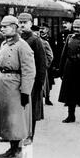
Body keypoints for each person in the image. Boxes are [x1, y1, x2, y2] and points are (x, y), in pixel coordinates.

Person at [0, 15, 35, 158]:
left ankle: (18, 150)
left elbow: (29, 71)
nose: (2, 29)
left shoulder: (22, 45)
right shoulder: (4, 44)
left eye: (5, 26)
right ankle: (11, 148)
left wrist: (25, 91)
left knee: (15, 119)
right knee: (6, 118)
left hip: (15, 87)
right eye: (2, 26)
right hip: (3, 84)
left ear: (14, 27)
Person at [18, 13, 47, 144]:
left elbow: (42, 63)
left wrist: (40, 82)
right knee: (19, 108)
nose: (22, 24)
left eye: (25, 22)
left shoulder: (35, 40)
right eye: (21, 22)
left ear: (31, 23)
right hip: (19, 79)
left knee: (31, 109)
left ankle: (30, 135)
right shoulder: (18, 38)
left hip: (32, 81)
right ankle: (17, 134)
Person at [58, 19, 80, 124]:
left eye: (78, 28)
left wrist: (79, 56)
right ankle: (71, 115)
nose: (75, 30)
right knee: (69, 93)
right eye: (74, 27)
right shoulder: (69, 37)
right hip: (69, 68)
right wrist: (60, 70)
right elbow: (64, 54)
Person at [33, 25, 54, 106]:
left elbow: (50, 55)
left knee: (43, 85)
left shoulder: (44, 42)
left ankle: (45, 99)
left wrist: (45, 65)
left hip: (41, 68)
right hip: (31, 68)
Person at [39, 23, 57, 105]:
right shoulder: (38, 39)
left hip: (49, 64)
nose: (42, 30)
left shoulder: (50, 39)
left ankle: (47, 98)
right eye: (41, 28)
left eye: (44, 28)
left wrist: (52, 64)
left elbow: (54, 52)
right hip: (42, 63)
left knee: (49, 81)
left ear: (47, 30)